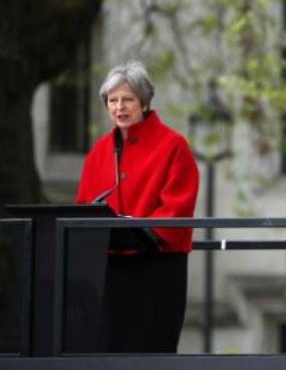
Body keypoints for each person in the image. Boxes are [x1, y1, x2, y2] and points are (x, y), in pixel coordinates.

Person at [76, 61, 199, 352]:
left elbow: (177, 207)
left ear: (144, 102)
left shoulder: (173, 145)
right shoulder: (99, 152)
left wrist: (136, 231)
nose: (119, 107)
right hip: (108, 271)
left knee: (149, 352)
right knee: (107, 353)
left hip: (156, 270)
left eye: (128, 99)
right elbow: (82, 206)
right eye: (113, 100)